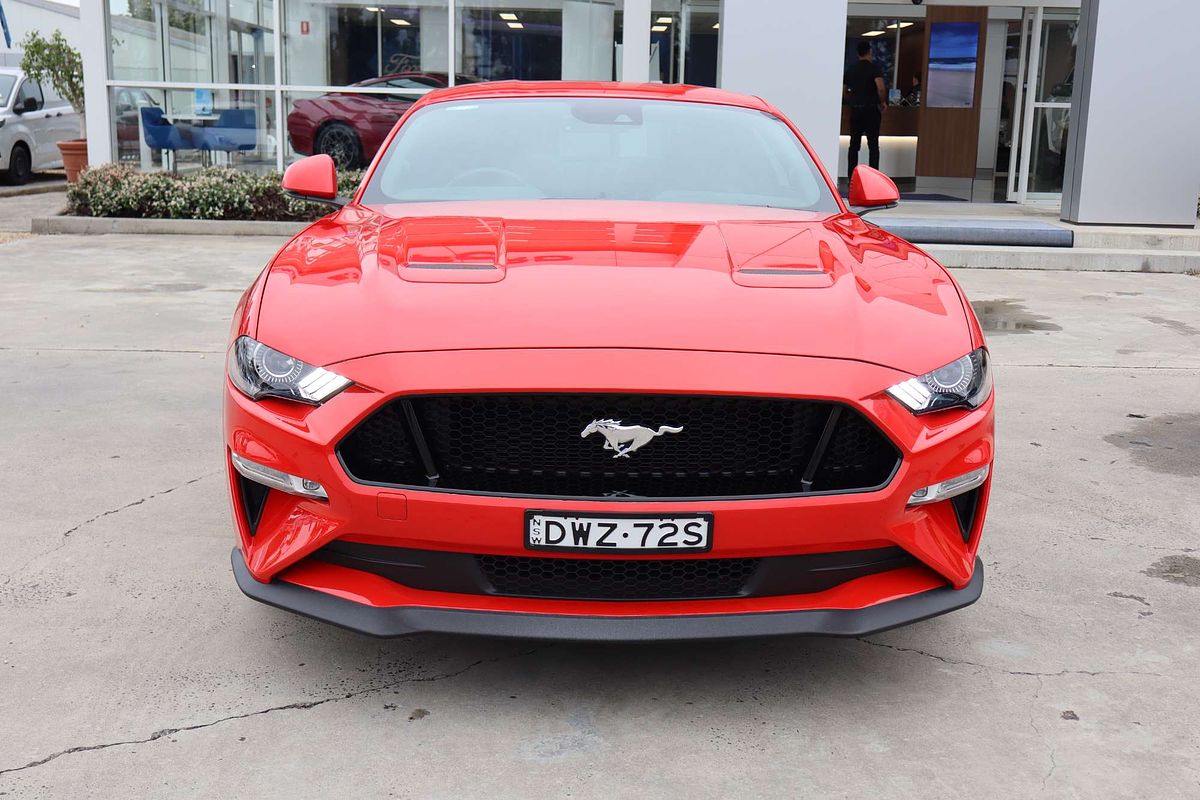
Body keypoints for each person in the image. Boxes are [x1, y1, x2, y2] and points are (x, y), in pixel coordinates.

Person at [844, 40, 886, 172]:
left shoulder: (851, 70)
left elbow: (844, 89)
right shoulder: (874, 69)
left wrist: (851, 100)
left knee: (854, 145)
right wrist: (882, 102)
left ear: (858, 54)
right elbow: (880, 88)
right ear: (870, 52)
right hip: (871, 109)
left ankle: (851, 175)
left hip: (856, 109)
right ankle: (874, 176)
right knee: (873, 146)